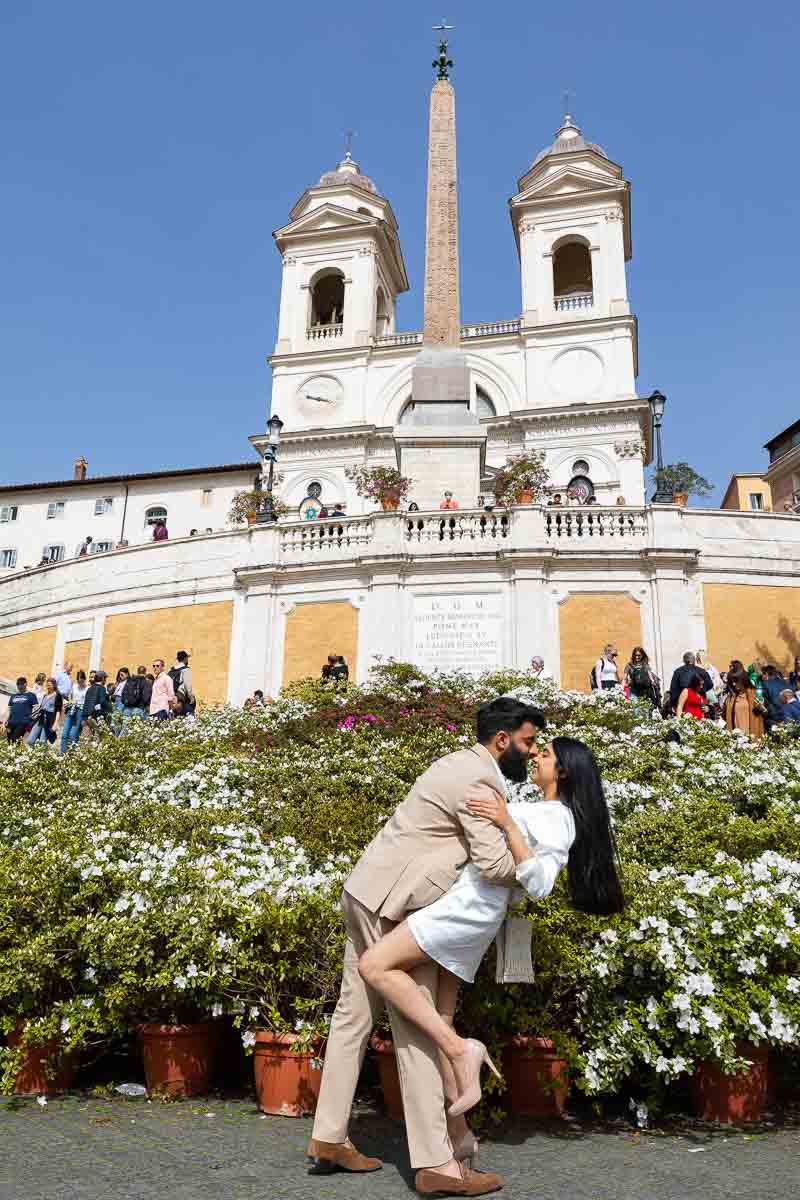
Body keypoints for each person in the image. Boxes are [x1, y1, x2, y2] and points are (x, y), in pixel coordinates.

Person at [308, 698, 547, 1195]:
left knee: (353, 1017)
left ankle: (329, 1136)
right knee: (419, 1025)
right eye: (526, 742)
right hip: (392, 905)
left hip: (366, 889)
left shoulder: (458, 762)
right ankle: (436, 1162)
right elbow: (495, 865)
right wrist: (527, 851)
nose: (530, 751)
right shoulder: (481, 781)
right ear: (502, 741)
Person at [357, 737, 624, 1160]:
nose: (537, 756)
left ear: (566, 771)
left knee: (374, 965)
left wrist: (507, 823)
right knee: (438, 1018)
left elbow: (539, 884)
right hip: (468, 903)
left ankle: (464, 1050)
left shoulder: (559, 819)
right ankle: (459, 1137)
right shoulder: (542, 807)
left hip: (470, 908)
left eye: (547, 754)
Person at [723, 669, 766, 738]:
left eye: (736, 681)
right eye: (732, 681)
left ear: (743, 680)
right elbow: (725, 717)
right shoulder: (730, 698)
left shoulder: (754, 694)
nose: (734, 684)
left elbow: (764, 714)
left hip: (752, 736)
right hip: (737, 738)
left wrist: (761, 708)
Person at [26, 678, 62, 746]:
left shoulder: (57, 695)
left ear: (54, 685)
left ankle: (42, 756)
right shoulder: (45, 695)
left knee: (42, 742)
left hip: (49, 720)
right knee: (30, 740)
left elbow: (58, 711)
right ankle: (30, 755)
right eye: (47, 685)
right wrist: (35, 714)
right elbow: (41, 707)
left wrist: (55, 723)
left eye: (50, 685)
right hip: (40, 718)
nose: (48, 687)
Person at [4, 677, 39, 743]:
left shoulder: (31, 695)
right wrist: (5, 720)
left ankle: (17, 752)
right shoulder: (13, 696)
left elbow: (36, 708)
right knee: (9, 741)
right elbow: (9, 709)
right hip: (11, 723)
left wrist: (33, 717)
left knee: (15, 739)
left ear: (25, 684)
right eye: (18, 684)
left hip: (23, 722)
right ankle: (15, 753)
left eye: (21, 684)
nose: (19, 686)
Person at [61, 670, 88, 752]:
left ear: (84, 679)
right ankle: (62, 754)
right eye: (78, 681)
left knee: (73, 734)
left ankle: (72, 755)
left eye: (82, 681)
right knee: (65, 733)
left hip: (80, 711)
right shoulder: (73, 686)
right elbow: (67, 697)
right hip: (71, 709)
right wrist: (69, 702)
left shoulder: (87, 688)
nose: (80, 683)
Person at [81, 671, 112, 737]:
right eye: (105, 678)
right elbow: (102, 702)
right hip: (94, 718)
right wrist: (110, 707)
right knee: (97, 740)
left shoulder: (89, 688)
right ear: (103, 678)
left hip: (85, 717)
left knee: (86, 741)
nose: (105, 680)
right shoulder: (102, 688)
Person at [760, 664, 788, 732]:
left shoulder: (765, 684)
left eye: (762, 675)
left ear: (766, 674)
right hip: (788, 720)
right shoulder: (786, 683)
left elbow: (767, 704)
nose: (761, 678)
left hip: (774, 722)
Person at [168, 650, 195, 717]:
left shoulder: (171, 670)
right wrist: (191, 696)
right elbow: (187, 685)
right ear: (185, 659)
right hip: (181, 697)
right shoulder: (185, 670)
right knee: (189, 712)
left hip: (171, 698)